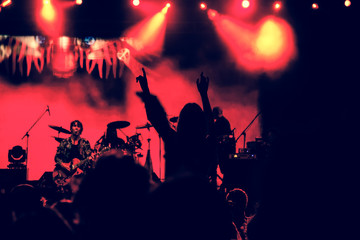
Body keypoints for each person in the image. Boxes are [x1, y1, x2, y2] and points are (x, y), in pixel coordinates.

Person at [136, 68, 217, 185]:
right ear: (202, 123)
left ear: (181, 121)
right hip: (200, 197)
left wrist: (145, 90)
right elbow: (210, 123)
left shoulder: (174, 141)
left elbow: (155, 118)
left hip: (175, 197)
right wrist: (204, 94)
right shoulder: (206, 145)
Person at [54, 120, 93, 199]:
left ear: (81, 129)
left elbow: (88, 158)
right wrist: (64, 165)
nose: (76, 128)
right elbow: (56, 157)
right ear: (71, 129)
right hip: (65, 174)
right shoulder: (65, 142)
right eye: (74, 126)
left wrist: (82, 169)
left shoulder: (85, 142)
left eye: (78, 126)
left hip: (79, 174)